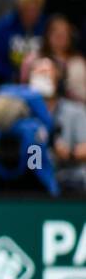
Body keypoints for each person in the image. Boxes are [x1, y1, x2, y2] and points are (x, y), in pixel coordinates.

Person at [28, 56, 86, 193]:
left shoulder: (75, 111)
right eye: (38, 74)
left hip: (69, 175)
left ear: (57, 80)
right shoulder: (22, 112)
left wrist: (69, 154)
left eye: (47, 74)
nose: (43, 78)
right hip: (31, 176)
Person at [0, 0, 47, 86]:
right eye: (27, 9)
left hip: (42, 81)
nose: (31, 14)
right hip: (9, 82)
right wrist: (13, 75)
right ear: (19, 8)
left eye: (34, 10)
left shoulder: (46, 27)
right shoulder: (4, 26)